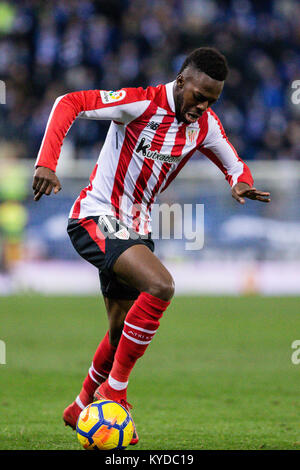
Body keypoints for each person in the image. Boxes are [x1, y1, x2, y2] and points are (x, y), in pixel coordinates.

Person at [32, 47, 270, 445]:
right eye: (199, 95)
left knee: (119, 330)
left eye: (213, 100)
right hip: (96, 216)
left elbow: (233, 162)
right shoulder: (141, 103)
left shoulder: (204, 125)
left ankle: (79, 406)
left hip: (138, 229)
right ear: (182, 81)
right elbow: (68, 102)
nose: (203, 106)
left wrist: (239, 182)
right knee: (161, 285)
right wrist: (46, 162)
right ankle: (115, 392)